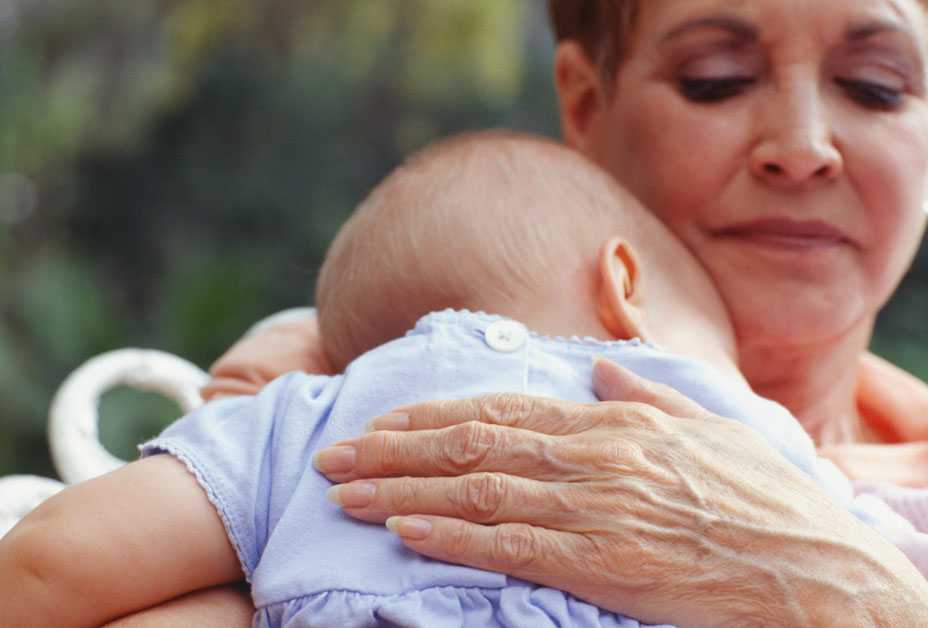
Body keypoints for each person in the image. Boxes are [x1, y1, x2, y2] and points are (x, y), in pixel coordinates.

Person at [107, 0, 928, 625]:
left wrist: (845, 586)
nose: (802, 145)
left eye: (876, 87)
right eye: (715, 77)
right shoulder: (364, 384)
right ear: (584, 102)